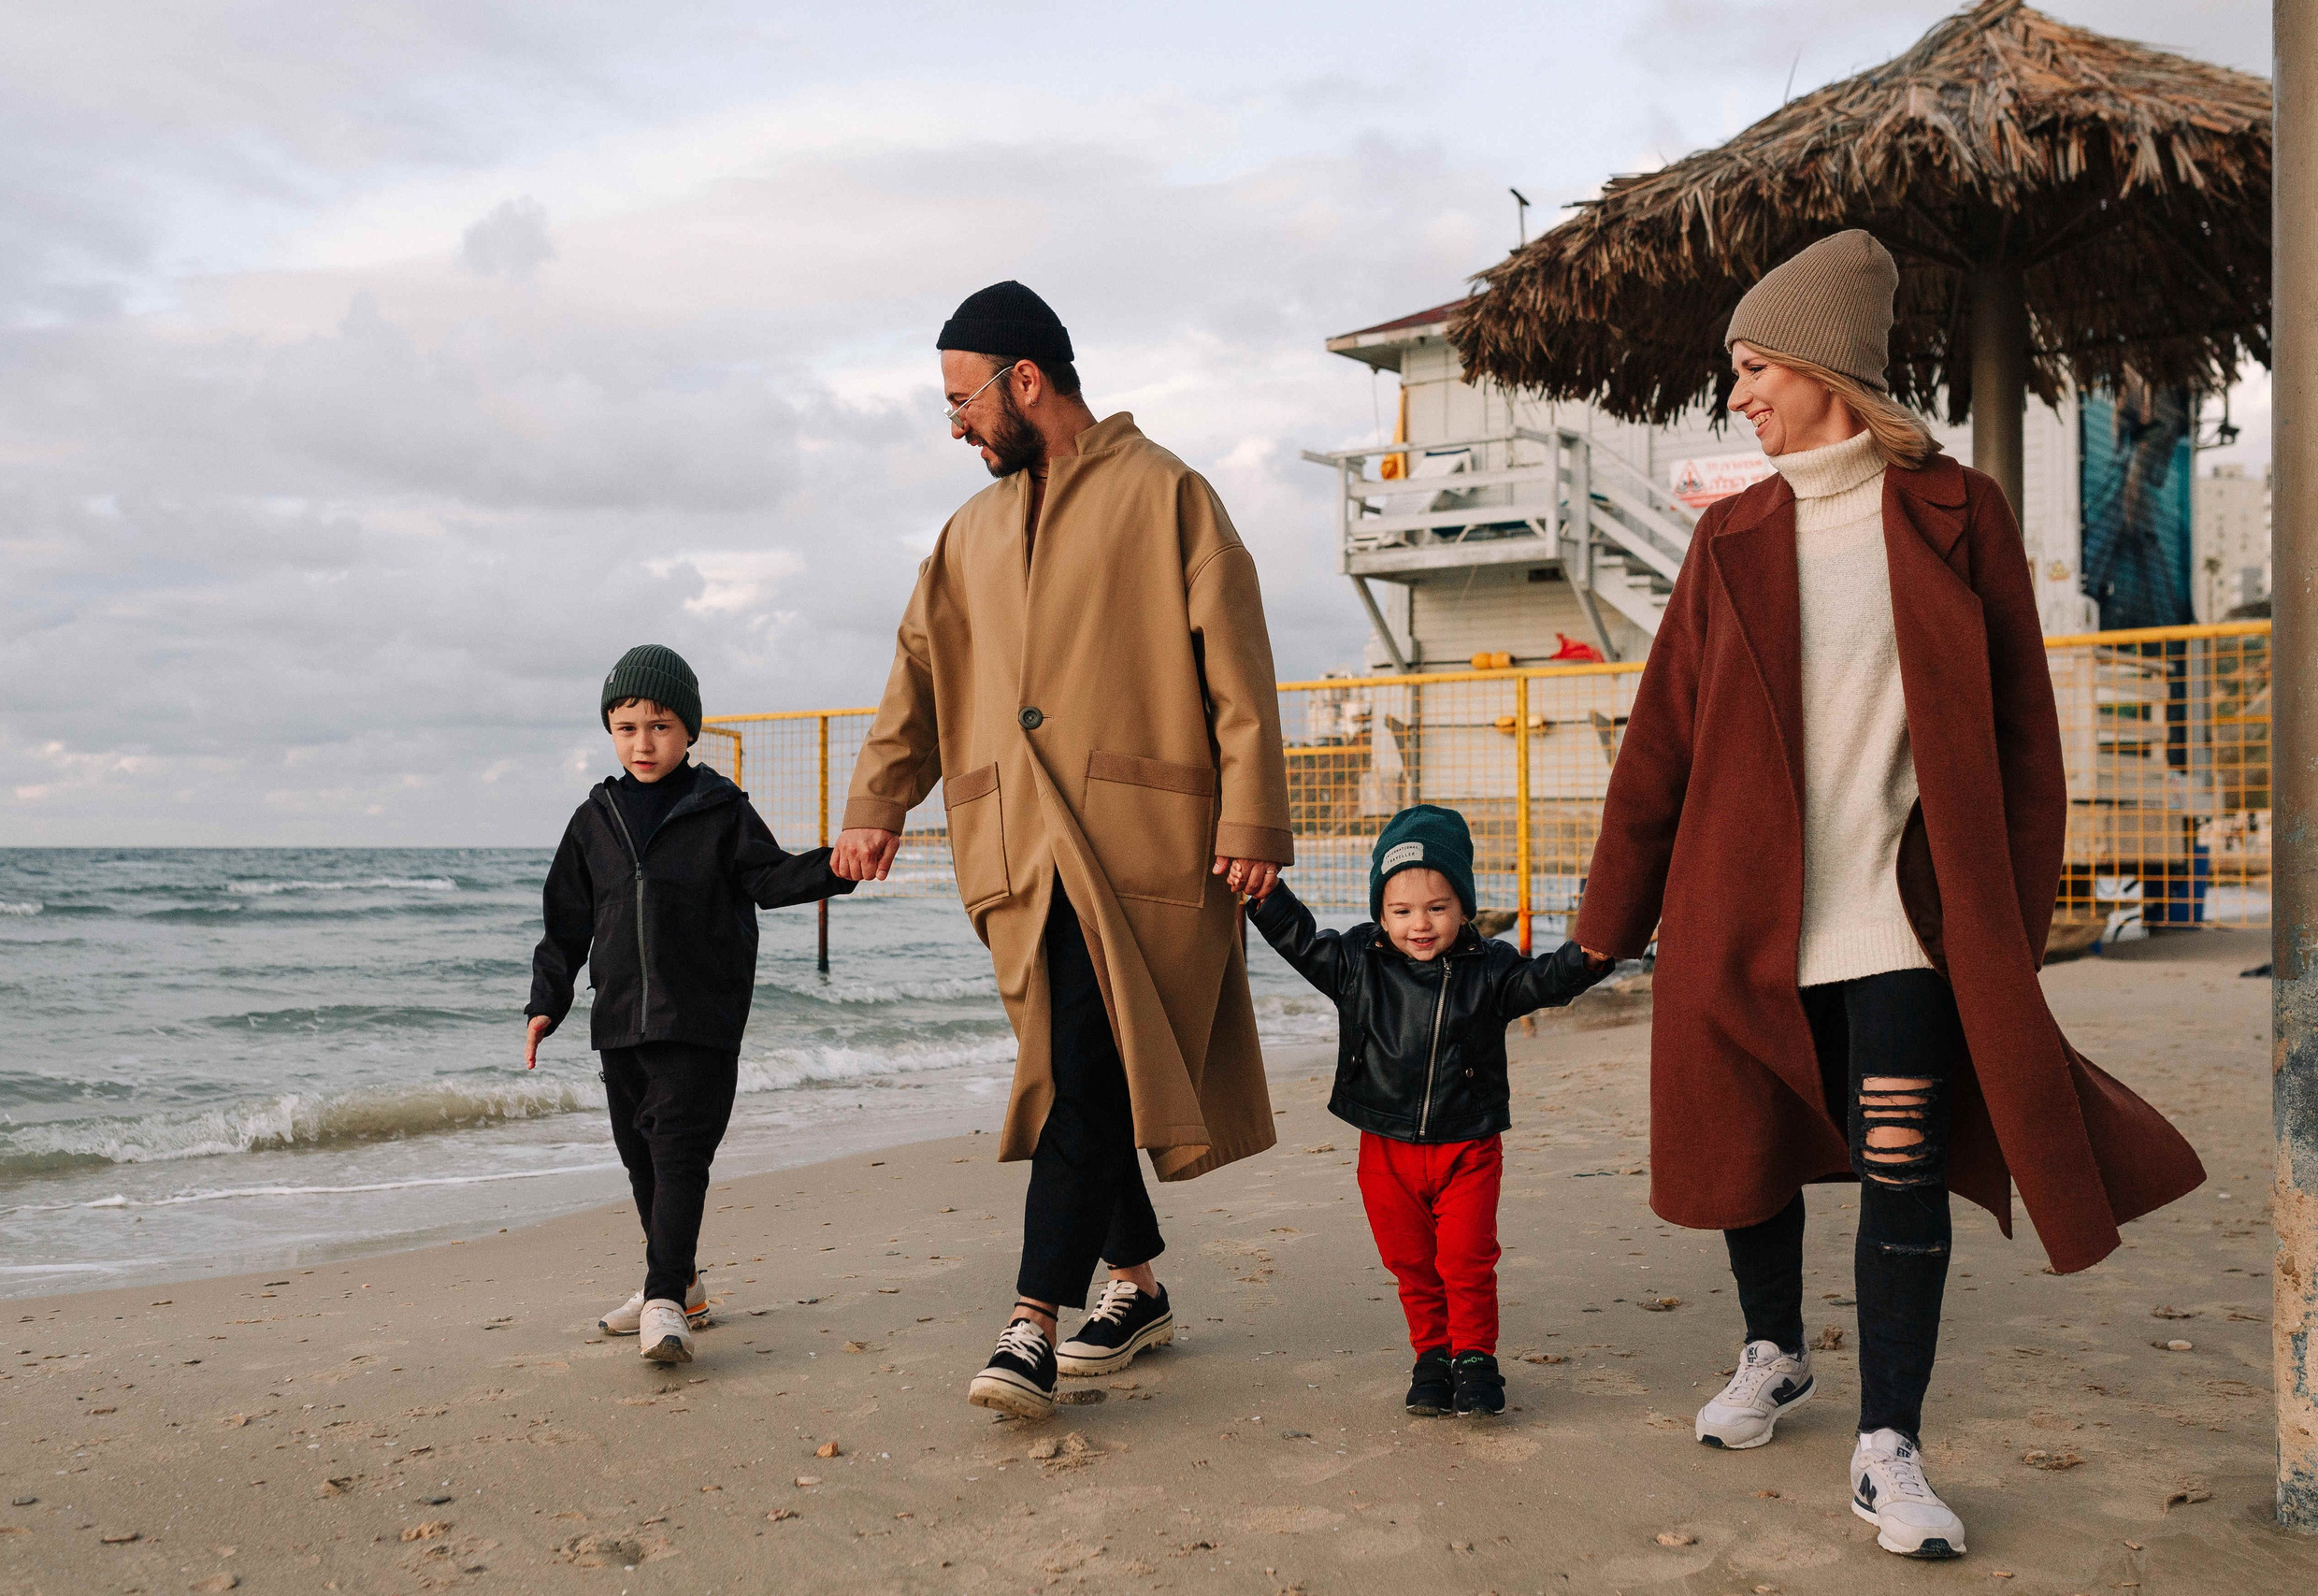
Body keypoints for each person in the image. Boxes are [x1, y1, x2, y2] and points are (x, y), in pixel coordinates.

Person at [1572, 230, 2204, 1560]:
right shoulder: (1730, 535)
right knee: (1748, 1155)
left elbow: (2029, 740)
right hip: (1741, 919)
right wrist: (1600, 926)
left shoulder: (1958, 511)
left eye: (1751, 365)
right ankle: (1774, 1350)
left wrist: (2002, 927)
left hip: (1904, 929)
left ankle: (1889, 1443)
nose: (1735, 393)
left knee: (1902, 1169)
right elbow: (1661, 747)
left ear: (1821, 366)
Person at [830, 280, 1294, 1420]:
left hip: (1143, 839)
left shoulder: (1168, 494)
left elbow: (1238, 666)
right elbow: (919, 677)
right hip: (1011, 848)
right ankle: (1135, 1286)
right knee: (1091, 1069)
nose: (953, 425)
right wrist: (877, 802)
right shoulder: (967, 533)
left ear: (1022, 381)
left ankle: (1031, 1321)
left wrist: (1251, 819)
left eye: (959, 400)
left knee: (1079, 1073)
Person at [526, 644, 854, 1363]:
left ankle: (664, 1297)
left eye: (661, 725)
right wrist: (546, 999)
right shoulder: (595, 817)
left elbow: (771, 877)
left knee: (679, 1155)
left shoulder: (720, 808)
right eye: (627, 726)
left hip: (701, 1018)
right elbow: (565, 920)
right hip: (619, 1024)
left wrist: (838, 864)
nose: (644, 742)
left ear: (691, 730)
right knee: (640, 1158)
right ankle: (684, 1284)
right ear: (611, 730)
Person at [1247, 806, 1606, 1417]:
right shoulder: (1357, 963)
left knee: (1465, 1260)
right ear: (1379, 913)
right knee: (1412, 1263)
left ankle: (1474, 1358)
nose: (1420, 924)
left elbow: (1544, 980)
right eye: (1402, 910)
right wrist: (1265, 895)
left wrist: (1591, 956)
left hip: (1467, 1144)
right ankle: (1431, 1356)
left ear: (1464, 906)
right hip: (1385, 1150)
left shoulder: (1489, 969)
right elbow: (1302, 941)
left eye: (1438, 907)